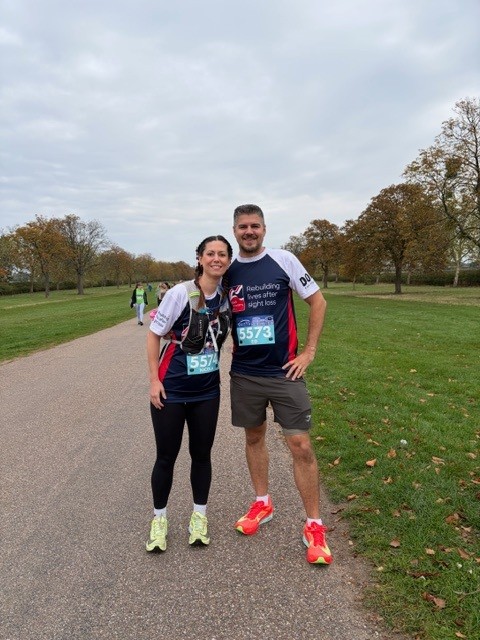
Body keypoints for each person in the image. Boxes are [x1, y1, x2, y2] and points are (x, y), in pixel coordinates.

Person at [227, 204, 332, 565]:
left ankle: (314, 524)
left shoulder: (284, 260)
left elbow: (318, 302)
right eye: (243, 226)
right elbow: (201, 299)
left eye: (255, 225)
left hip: (285, 372)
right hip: (244, 373)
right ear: (234, 230)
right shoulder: (228, 268)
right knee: (253, 436)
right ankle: (262, 503)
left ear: (264, 229)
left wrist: (310, 352)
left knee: (300, 445)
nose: (249, 231)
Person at [146, 235, 232, 552]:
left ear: (228, 261)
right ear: (199, 258)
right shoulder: (181, 294)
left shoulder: (226, 296)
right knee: (166, 457)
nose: (216, 259)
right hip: (171, 389)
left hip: (207, 392)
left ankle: (199, 517)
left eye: (222, 254)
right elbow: (154, 336)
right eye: (210, 253)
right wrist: (154, 381)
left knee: (202, 455)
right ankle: (159, 520)